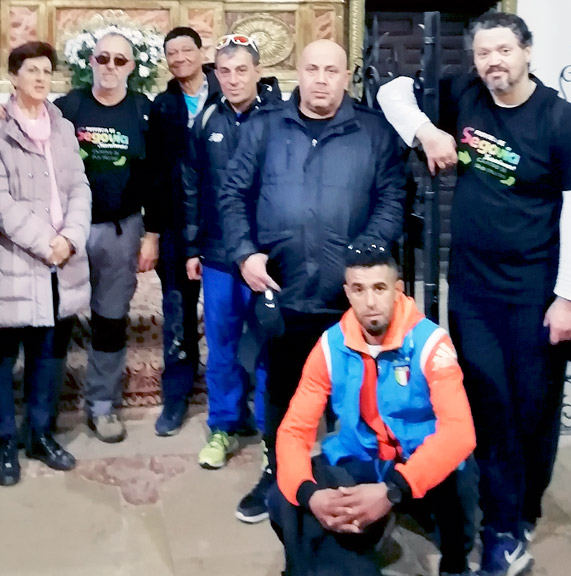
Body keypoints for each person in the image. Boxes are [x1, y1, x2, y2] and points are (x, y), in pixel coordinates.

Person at [377, 11, 571, 576]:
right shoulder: (465, 95)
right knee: (486, 401)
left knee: (531, 408)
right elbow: (391, 92)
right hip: (474, 287)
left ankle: (521, 509)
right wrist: (428, 131)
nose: (493, 62)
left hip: (537, 292)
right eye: (483, 53)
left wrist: (569, 299)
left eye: (503, 50)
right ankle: (500, 521)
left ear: (527, 51)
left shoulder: (564, 124)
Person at [218, 39, 406, 524]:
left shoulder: (374, 132)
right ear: (297, 73)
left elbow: (392, 198)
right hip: (285, 291)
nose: (321, 79)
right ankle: (281, 475)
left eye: (331, 71)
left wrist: (364, 260)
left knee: (358, 398)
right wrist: (244, 253)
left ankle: (355, 481)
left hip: (349, 298)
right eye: (313, 69)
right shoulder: (264, 128)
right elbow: (233, 194)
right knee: (285, 395)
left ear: (346, 76)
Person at [271, 244, 477, 576]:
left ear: (397, 290)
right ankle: (340, 555)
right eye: (359, 289)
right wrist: (309, 494)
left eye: (379, 288)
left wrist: (394, 489)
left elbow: (459, 433)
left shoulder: (431, 344)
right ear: (347, 293)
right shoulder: (330, 346)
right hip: (362, 457)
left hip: (419, 463)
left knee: (459, 475)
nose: (369, 302)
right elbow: (294, 431)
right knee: (283, 500)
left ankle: (454, 564)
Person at [0, 41, 92, 485]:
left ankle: (40, 434)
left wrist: (71, 238)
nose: (41, 78)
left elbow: (80, 187)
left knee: (50, 353)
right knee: (4, 354)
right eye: (31, 70)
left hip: (62, 259)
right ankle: (6, 440)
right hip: (17, 258)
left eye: (47, 70)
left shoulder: (63, 127)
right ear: (14, 76)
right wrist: (48, 243)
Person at [182, 34, 281, 468]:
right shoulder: (206, 120)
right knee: (222, 345)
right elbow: (191, 185)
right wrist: (192, 246)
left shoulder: (281, 120)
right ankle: (222, 427)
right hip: (220, 255)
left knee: (267, 345)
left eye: (242, 70)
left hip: (266, 257)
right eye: (225, 71)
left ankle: (270, 432)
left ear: (258, 72)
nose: (234, 79)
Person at [147, 26, 221, 437]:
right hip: (177, 224)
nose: (178, 58)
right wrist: (154, 231)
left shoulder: (226, 92)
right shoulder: (163, 106)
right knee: (177, 313)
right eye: (171, 53)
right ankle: (176, 396)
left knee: (231, 314)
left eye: (185, 50)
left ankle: (235, 398)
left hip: (224, 223)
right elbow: (155, 173)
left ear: (200, 52)